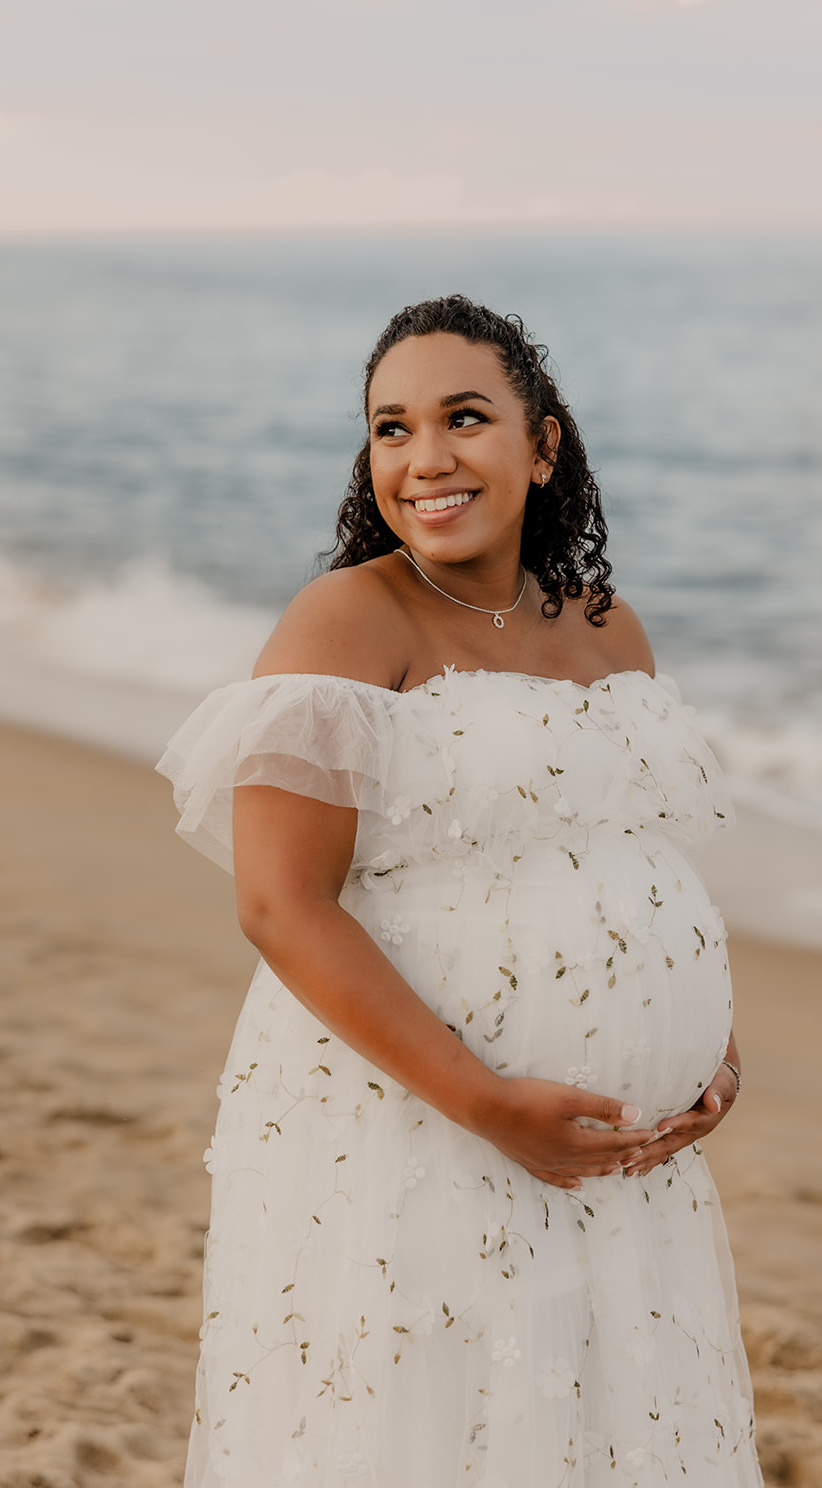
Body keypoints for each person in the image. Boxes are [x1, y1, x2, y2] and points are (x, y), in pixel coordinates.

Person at [158, 294, 761, 1487]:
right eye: (390, 428)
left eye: (464, 417)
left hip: (617, 1162)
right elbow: (282, 903)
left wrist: (703, 1046)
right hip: (416, 1128)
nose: (423, 458)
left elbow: (618, 856)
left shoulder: (605, 626)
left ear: (542, 445)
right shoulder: (347, 619)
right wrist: (485, 1100)